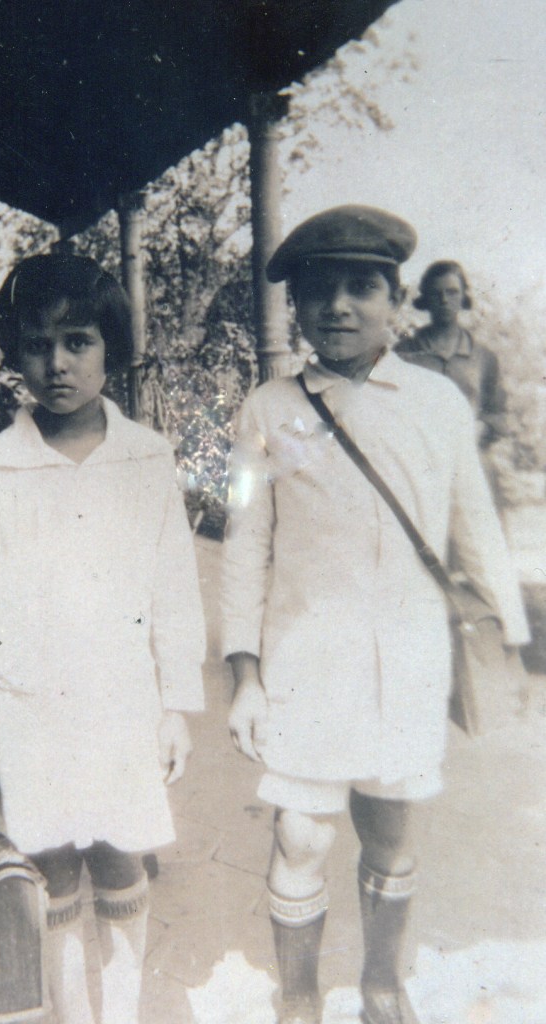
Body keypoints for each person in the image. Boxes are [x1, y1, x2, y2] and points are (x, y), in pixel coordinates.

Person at [221, 206, 529, 1024]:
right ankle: (296, 996)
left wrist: (514, 640)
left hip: (407, 663)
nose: (339, 307)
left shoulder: (434, 404)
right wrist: (244, 674)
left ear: (397, 302)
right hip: (303, 668)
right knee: (302, 838)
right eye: (319, 291)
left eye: (363, 288)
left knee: (391, 835)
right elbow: (245, 548)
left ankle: (383, 986)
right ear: (296, 308)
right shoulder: (267, 410)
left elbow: (475, 528)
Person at [0, 253, 206, 1024]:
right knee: (48, 862)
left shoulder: (147, 458)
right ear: (14, 352)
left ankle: (119, 1010)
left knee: (121, 849)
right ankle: (72, 1011)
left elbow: (173, 593)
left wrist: (174, 706)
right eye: (37, 345)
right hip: (28, 707)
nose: (57, 364)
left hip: (122, 699)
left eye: (78, 341)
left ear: (110, 348)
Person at [395, 260, 506, 449]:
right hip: (417, 454)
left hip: (468, 455)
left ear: (463, 297)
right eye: (436, 293)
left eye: (452, 292)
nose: (444, 300)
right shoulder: (404, 353)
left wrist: (481, 428)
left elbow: (497, 415)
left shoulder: (484, 357)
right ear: (425, 299)